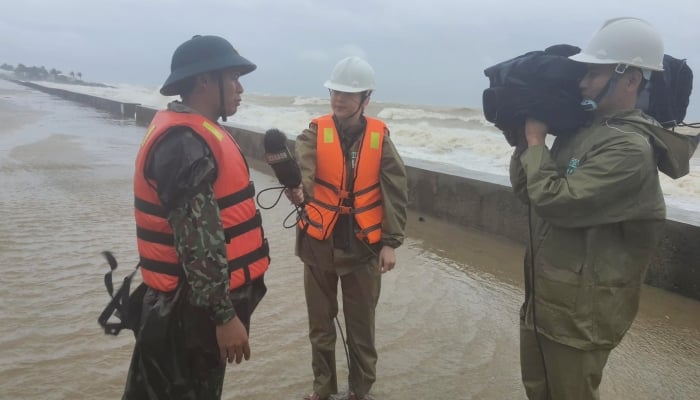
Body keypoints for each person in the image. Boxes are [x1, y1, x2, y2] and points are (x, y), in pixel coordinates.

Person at [509, 18, 697, 400]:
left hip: (582, 317)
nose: (582, 82)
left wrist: (534, 141)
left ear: (631, 80)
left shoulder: (628, 148)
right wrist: (523, 141)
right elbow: (527, 191)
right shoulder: (581, 130)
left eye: (593, 73)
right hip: (545, 300)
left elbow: (556, 203)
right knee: (537, 391)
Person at [124, 35, 270, 399]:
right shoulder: (183, 144)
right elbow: (198, 244)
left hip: (185, 306)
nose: (240, 88)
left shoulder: (189, 132)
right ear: (204, 81)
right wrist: (223, 316)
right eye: (233, 77)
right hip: (187, 314)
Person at [289, 56, 408, 400]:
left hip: (364, 248)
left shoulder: (380, 138)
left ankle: (360, 390)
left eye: (347, 93)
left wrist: (391, 243)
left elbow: (395, 190)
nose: (338, 99)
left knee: (361, 330)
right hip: (319, 242)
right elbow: (303, 165)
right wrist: (299, 187)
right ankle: (322, 389)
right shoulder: (315, 131)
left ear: (365, 99)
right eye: (334, 92)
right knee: (320, 327)